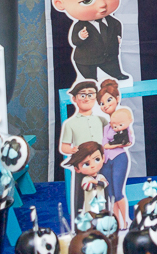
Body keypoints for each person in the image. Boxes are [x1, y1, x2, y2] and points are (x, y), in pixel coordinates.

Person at [60, 81, 107, 214]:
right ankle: (81, 221)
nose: (87, 98)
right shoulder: (70, 123)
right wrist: (73, 150)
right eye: (82, 95)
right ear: (74, 99)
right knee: (81, 196)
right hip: (82, 163)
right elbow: (64, 147)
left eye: (91, 94)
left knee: (103, 191)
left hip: (100, 161)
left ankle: (104, 216)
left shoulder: (101, 120)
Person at [98, 79, 132, 229]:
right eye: (102, 103)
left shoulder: (123, 121)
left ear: (117, 99)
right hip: (106, 161)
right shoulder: (106, 128)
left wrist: (116, 143)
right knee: (110, 194)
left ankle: (125, 220)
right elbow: (104, 145)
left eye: (109, 100)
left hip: (118, 158)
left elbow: (128, 141)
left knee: (118, 192)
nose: (105, 105)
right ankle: (118, 222)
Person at [62, 141, 109, 215]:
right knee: (91, 218)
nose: (93, 165)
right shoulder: (86, 179)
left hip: (101, 203)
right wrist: (97, 183)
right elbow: (87, 187)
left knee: (101, 217)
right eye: (86, 164)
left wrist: (95, 182)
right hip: (90, 206)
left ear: (103, 158)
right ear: (77, 169)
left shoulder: (100, 176)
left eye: (97, 159)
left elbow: (105, 184)